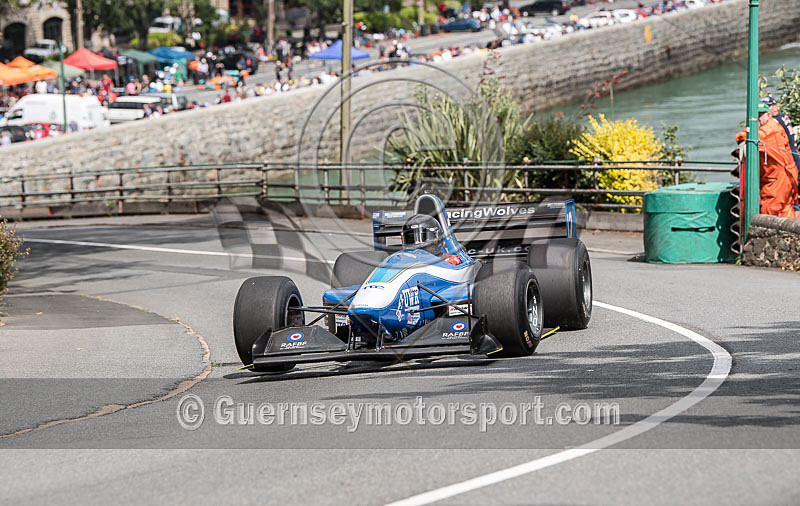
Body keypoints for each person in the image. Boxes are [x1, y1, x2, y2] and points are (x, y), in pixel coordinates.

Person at [736, 102, 798, 219]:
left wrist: (745, 131)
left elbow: (744, 137)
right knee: (785, 210)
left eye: (761, 115)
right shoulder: (774, 125)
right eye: (756, 116)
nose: (758, 119)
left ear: (768, 115)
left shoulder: (769, 130)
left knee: (770, 210)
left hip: (777, 178)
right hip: (784, 175)